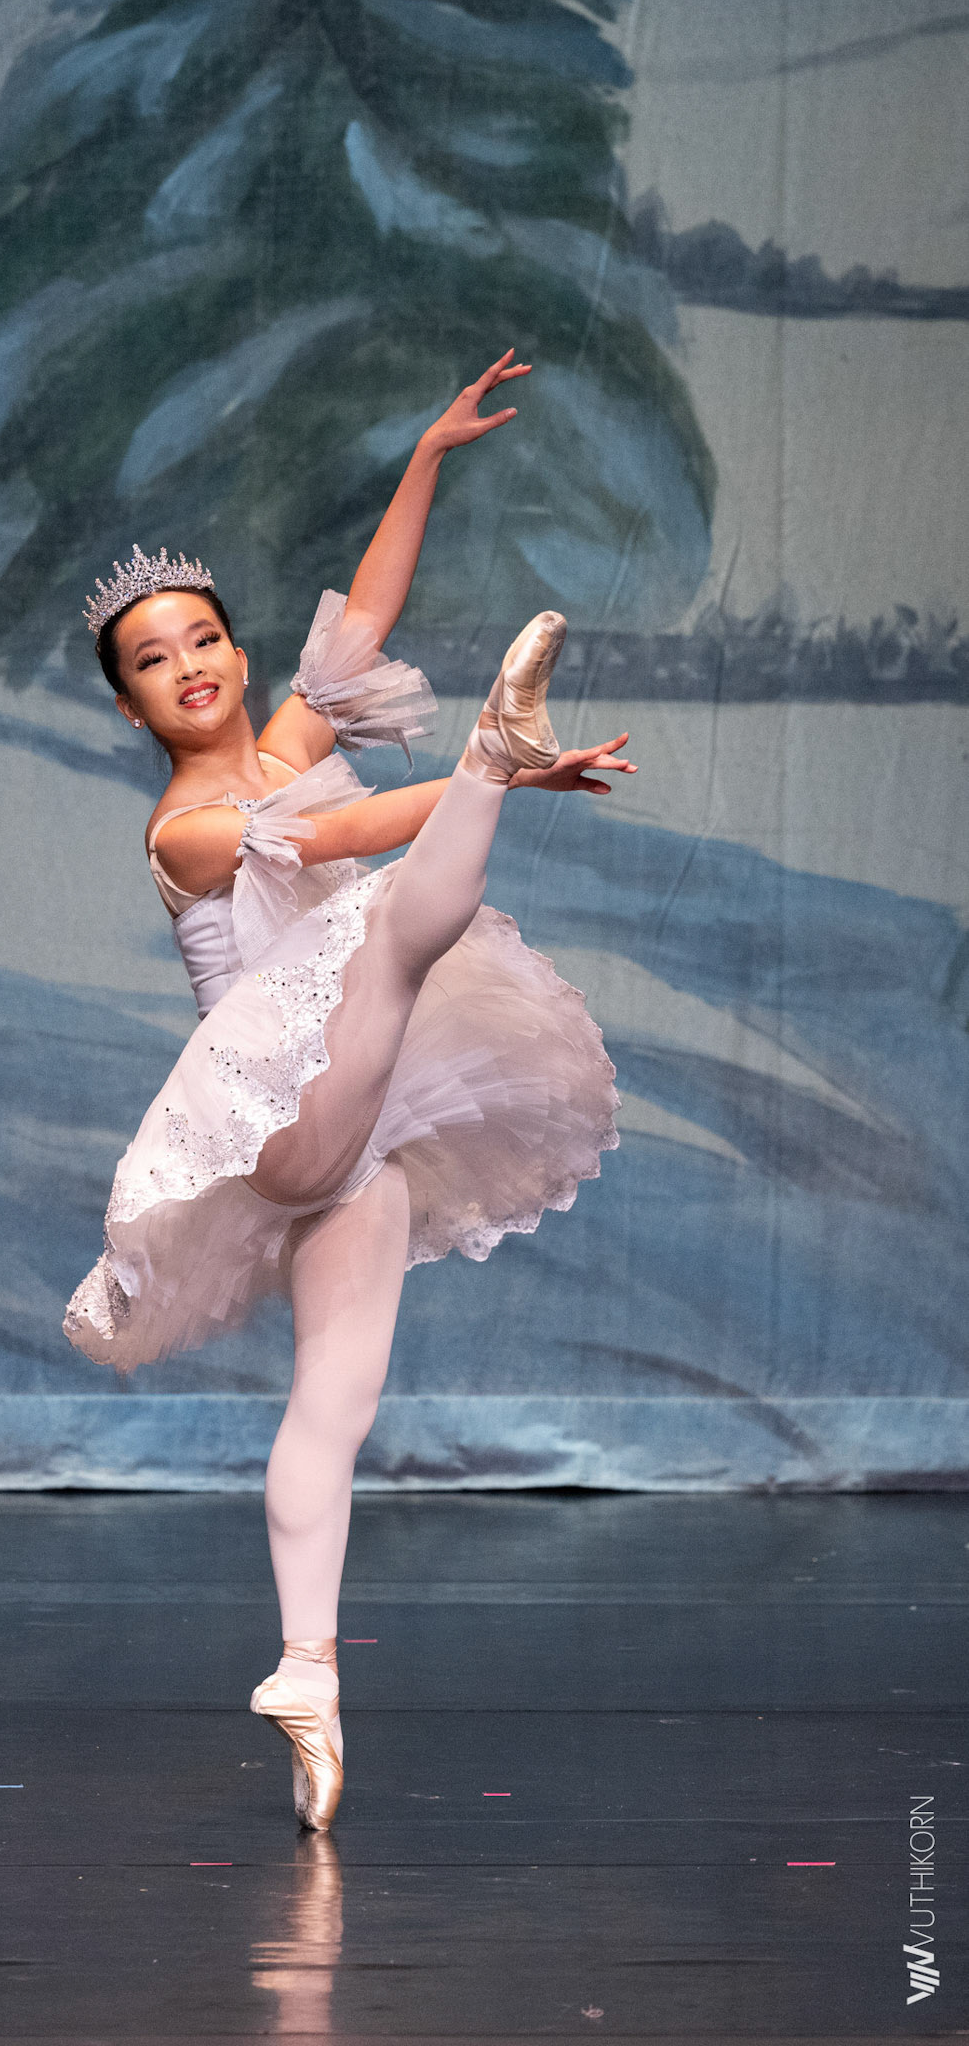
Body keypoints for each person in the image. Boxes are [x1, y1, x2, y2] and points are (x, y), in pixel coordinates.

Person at [64, 351, 633, 1829]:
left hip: (355, 1144)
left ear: (237, 653)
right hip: (283, 1115)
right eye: (154, 661)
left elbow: (363, 623)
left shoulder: (283, 744)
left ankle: (305, 1674)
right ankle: (496, 750)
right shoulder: (187, 825)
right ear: (130, 707)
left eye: (204, 638)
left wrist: (426, 457)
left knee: (337, 1398)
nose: (189, 664)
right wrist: (491, 780)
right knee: (386, 939)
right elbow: (329, 842)